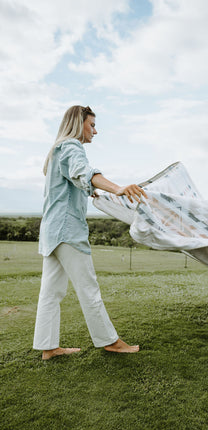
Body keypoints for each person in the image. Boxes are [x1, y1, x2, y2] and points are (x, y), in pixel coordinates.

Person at [33, 105, 147, 360]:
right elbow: (84, 172)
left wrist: (88, 190)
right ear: (78, 123)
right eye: (92, 125)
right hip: (67, 232)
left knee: (50, 292)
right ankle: (110, 342)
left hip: (52, 232)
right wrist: (117, 188)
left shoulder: (57, 150)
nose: (95, 130)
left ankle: (48, 347)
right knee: (89, 288)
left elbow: (72, 182)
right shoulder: (72, 147)